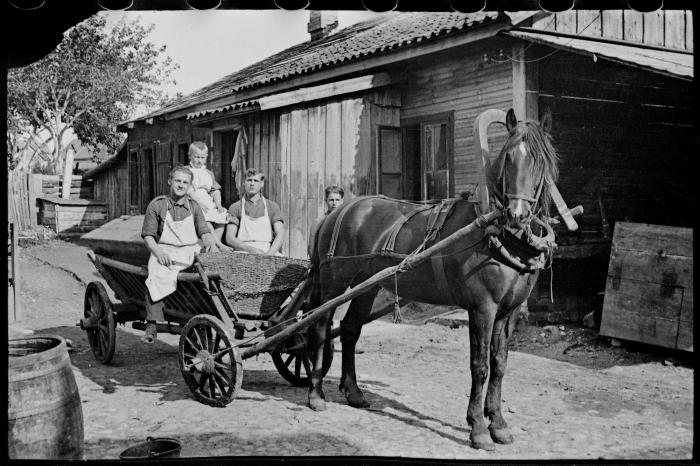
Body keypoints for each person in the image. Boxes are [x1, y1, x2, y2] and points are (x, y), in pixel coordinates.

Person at [141, 165, 219, 344]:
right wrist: (158, 252)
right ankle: (152, 322)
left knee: (205, 277)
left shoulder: (193, 206)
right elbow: (148, 236)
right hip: (165, 251)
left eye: (185, 182)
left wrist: (210, 244)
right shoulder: (158, 204)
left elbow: (204, 232)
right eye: (178, 181)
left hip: (190, 251)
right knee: (157, 275)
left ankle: (199, 319)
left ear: (190, 186)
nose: (181, 185)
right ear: (170, 181)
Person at [225, 168, 286, 255]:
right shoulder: (236, 207)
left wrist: (269, 254)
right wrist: (252, 250)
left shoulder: (272, 206)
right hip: (243, 251)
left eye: (256, 181)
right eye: (249, 180)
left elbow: (280, 233)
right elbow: (230, 238)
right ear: (243, 183)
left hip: (267, 251)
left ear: (262, 184)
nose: (252, 184)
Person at [186, 141, 230, 250]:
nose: (199, 160)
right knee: (204, 217)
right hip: (193, 200)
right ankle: (218, 245)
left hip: (208, 201)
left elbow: (214, 190)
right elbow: (189, 190)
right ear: (190, 156)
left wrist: (218, 205)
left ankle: (214, 244)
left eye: (202, 157)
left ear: (206, 157)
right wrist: (199, 203)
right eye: (196, 157)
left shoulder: (208, 173)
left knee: (222, 214)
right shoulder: (187, 171)